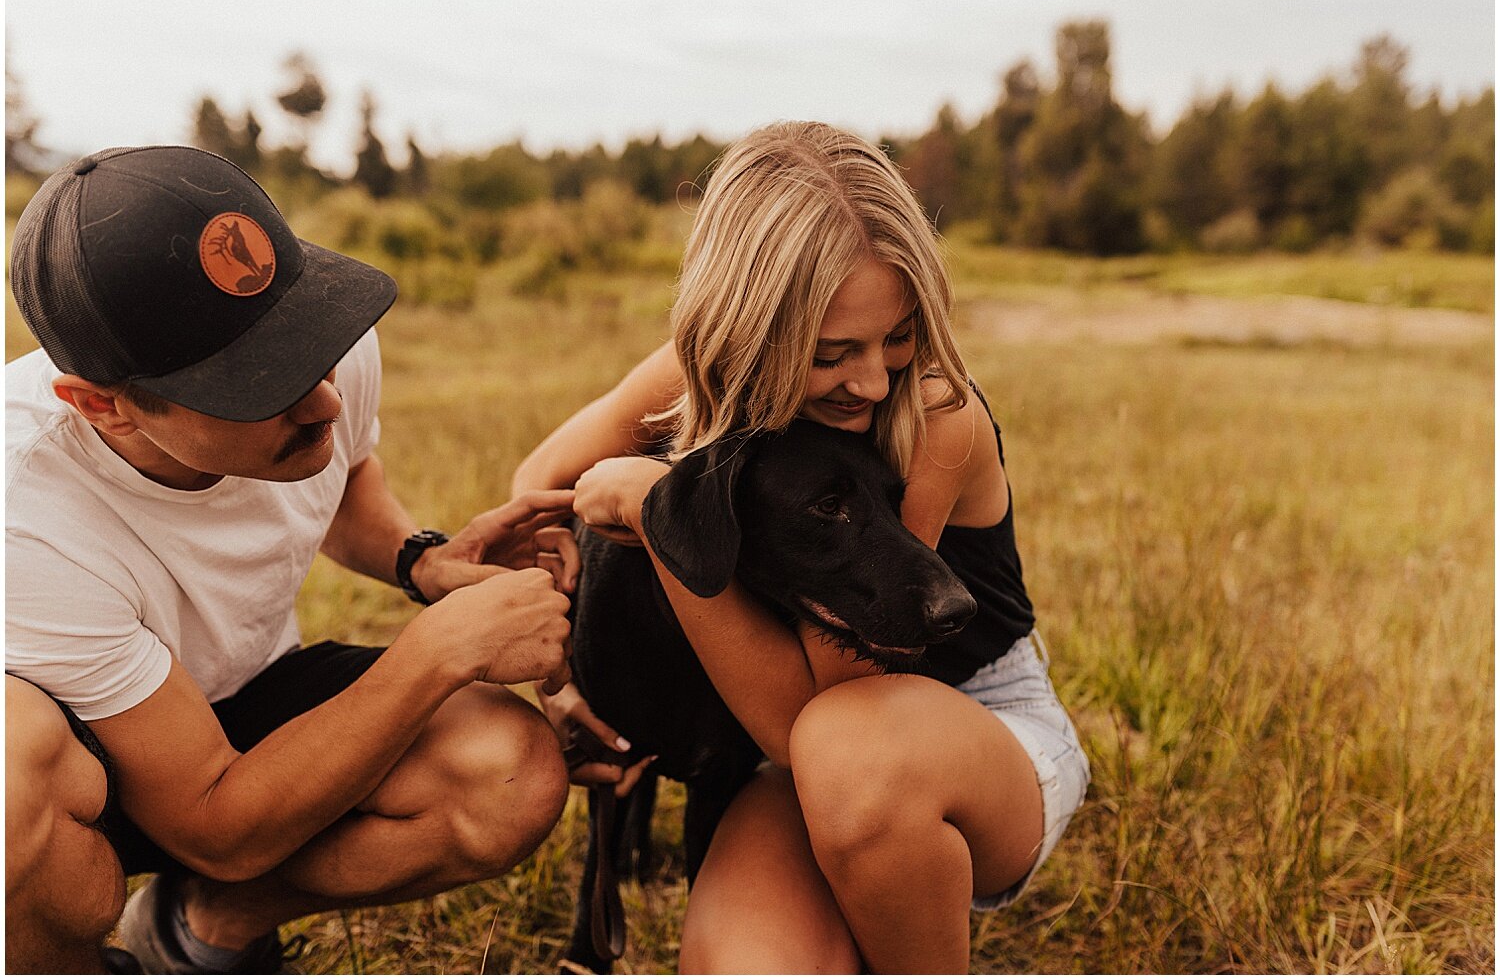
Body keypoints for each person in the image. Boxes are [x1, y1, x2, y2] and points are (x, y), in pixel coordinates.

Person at [513, 121, 1091, 973]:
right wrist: (560, 675)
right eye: (831, 354)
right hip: (796, 772)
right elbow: (536, 483)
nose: (871, 380)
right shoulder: (696, 371)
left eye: (897, 336)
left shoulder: (934, 412)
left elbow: (810, 721)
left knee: (849, 755)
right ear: (751, 333)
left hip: (962, 734)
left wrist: (655, 512)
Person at [5, 146, 577, 974]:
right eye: (257, 383)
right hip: (83, 764)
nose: (325, 401)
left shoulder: (330, 357)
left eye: (306, 342)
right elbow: (210, 820)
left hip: (241, 695)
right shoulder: (22, 515)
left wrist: (421, 561)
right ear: (105, 406)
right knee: (8, 782)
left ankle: (202, 926)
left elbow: (344, 482)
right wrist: (439, 650)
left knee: (505, 776)